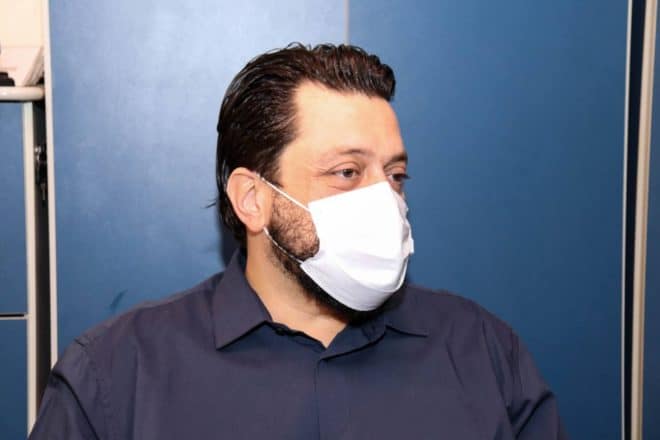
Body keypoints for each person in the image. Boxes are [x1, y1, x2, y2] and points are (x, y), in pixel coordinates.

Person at [29, 43, 566, 439]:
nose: (385, 200)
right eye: (347, 172)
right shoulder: (115, 376)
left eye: (395, 175)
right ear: (253, 199)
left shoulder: (485, 353)